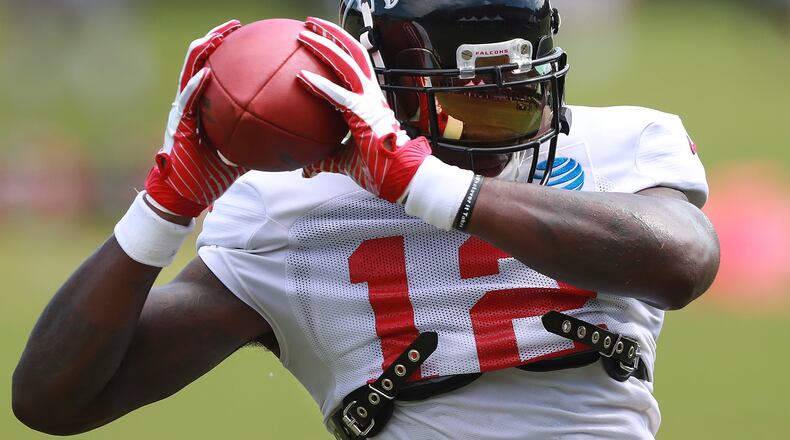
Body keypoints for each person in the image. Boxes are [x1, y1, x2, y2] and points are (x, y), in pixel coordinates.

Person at [12, 1, 720, 439]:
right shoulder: (287, 210)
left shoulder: (625, 143)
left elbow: (683, 262)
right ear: (378, 74)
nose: (492, 118)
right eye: (462, 100)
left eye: (512, 94)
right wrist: (161, 211)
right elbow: (55, 398)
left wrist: (428, 187)